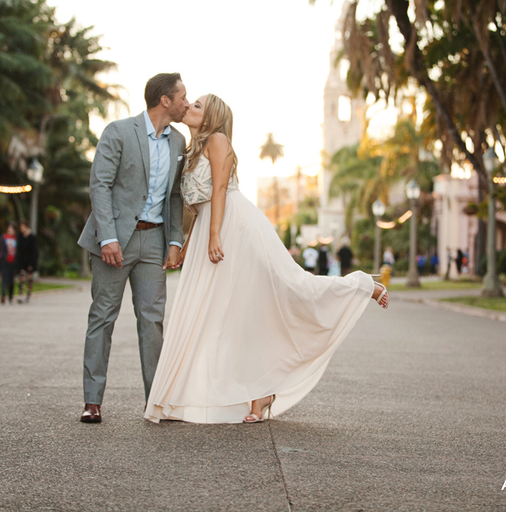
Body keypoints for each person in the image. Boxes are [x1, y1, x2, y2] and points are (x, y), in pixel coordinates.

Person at [144, 94, 389, 425]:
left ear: (212, 116)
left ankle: (361, 285)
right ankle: (250, 394)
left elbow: (219, 191)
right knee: (230, 315)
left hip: (235, 227)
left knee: (287, 289)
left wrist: (214, 236)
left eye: (198, 105)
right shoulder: (191, 150)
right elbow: (199, 207)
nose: (189, 107)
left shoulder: (217, 140)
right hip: (213, 225)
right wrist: (190, 245)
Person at [76, 73, 189, 423]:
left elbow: (173, 196)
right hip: (114, 241)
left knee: (152, 321)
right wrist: (108, 237)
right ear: (165, 100)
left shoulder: (178, 142)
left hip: (154, 242)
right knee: (103, 318)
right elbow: (101, 186)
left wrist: (174, 241)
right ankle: (92, 402)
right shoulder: (119, 131)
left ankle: (154, 401)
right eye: (183, 96)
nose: (188, 102)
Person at [0, 223, 18, 304]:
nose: (10, 231)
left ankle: (10, 297)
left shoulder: (17, 239)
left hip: (13, 262)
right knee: (4, 279)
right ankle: (3, 296)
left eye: (12, 229)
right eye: (9, 229)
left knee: (11, 281)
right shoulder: (3, 238)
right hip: (4, 262)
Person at [15, 219, 38, 303]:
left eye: (23, 227)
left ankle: (28, 293)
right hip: (21, 259)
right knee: (21, 276)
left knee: (29, 278)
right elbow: (18, 248)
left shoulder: (32, 236)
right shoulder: (20, 236)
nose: (22, 228)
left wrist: (31, 263)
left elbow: (34, 251)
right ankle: (20, 294)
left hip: (30, 260)